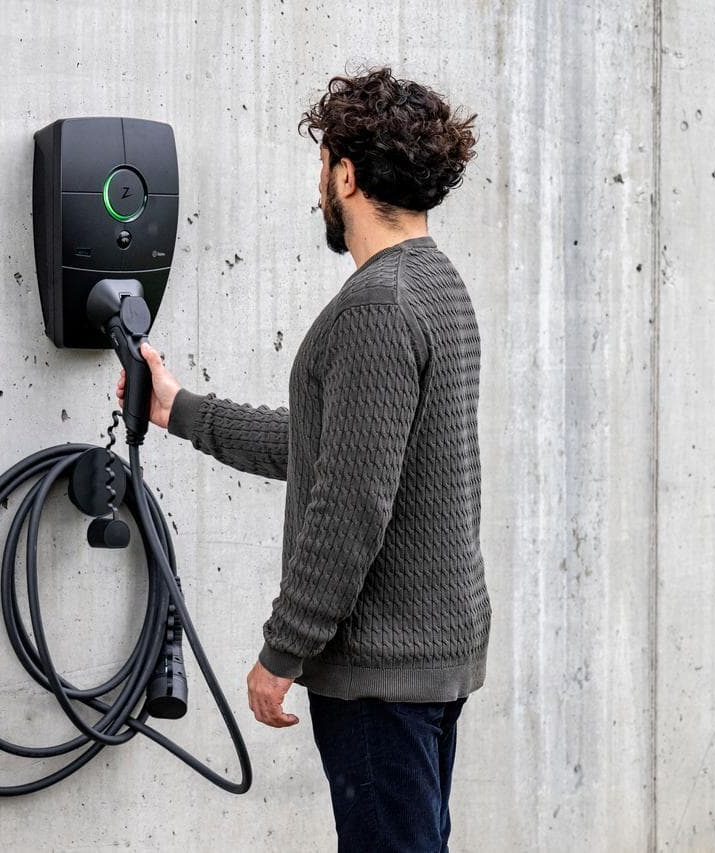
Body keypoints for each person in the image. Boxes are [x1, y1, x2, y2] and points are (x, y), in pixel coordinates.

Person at [116, 65, 488, 853]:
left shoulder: (377, 307)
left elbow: (351, 503)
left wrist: (283, 649)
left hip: (381, 672)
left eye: (323, 166)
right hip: (430, 658)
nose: (320, 185)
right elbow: (340, 445)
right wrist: (180, 410)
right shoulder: (438, 287)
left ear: (345, 176)